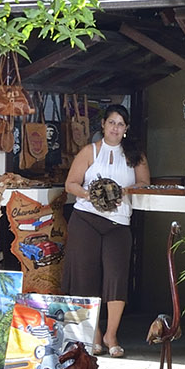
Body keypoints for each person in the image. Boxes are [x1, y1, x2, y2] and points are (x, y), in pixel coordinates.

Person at [61, 104, 149, 353]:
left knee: (116, 276)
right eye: (112, 122)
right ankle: (95, 335)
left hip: (118, 222)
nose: (115, 128)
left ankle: (112, 336)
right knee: (85, 276)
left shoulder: (135, 155)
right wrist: (91, 195)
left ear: (126, 129)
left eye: (120, 124)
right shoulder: (90, 151)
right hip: (86, 219)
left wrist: (124, 191)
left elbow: (144, 183)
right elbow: (71, 184)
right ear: (103, 125)